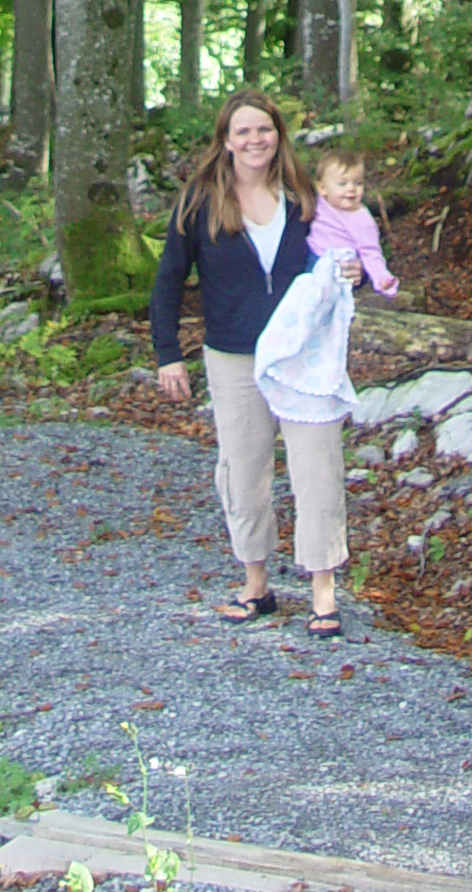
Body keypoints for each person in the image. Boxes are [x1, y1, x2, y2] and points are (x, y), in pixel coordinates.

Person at [150, 87, 361, 638]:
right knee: (243, 471)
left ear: (278, 135)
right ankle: (256, 585)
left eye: (263, 129)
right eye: (242, 131)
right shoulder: (200, 203)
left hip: (303, 355)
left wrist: (352, 271)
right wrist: (168, 354)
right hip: (233, 356)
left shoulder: (307, 200)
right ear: (225, 140)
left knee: (318, 469)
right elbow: (169, 280)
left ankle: (322, 592)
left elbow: (342, 255)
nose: (254, 140)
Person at [306, 150, 399, 297]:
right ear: (322, 188)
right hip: (313, 257)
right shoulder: (318, 203)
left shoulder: (361, 219)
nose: (351, 189)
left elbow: (371, 252)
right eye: (342, 183)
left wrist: (382, 278)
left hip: (339, 267)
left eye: (358, 183)